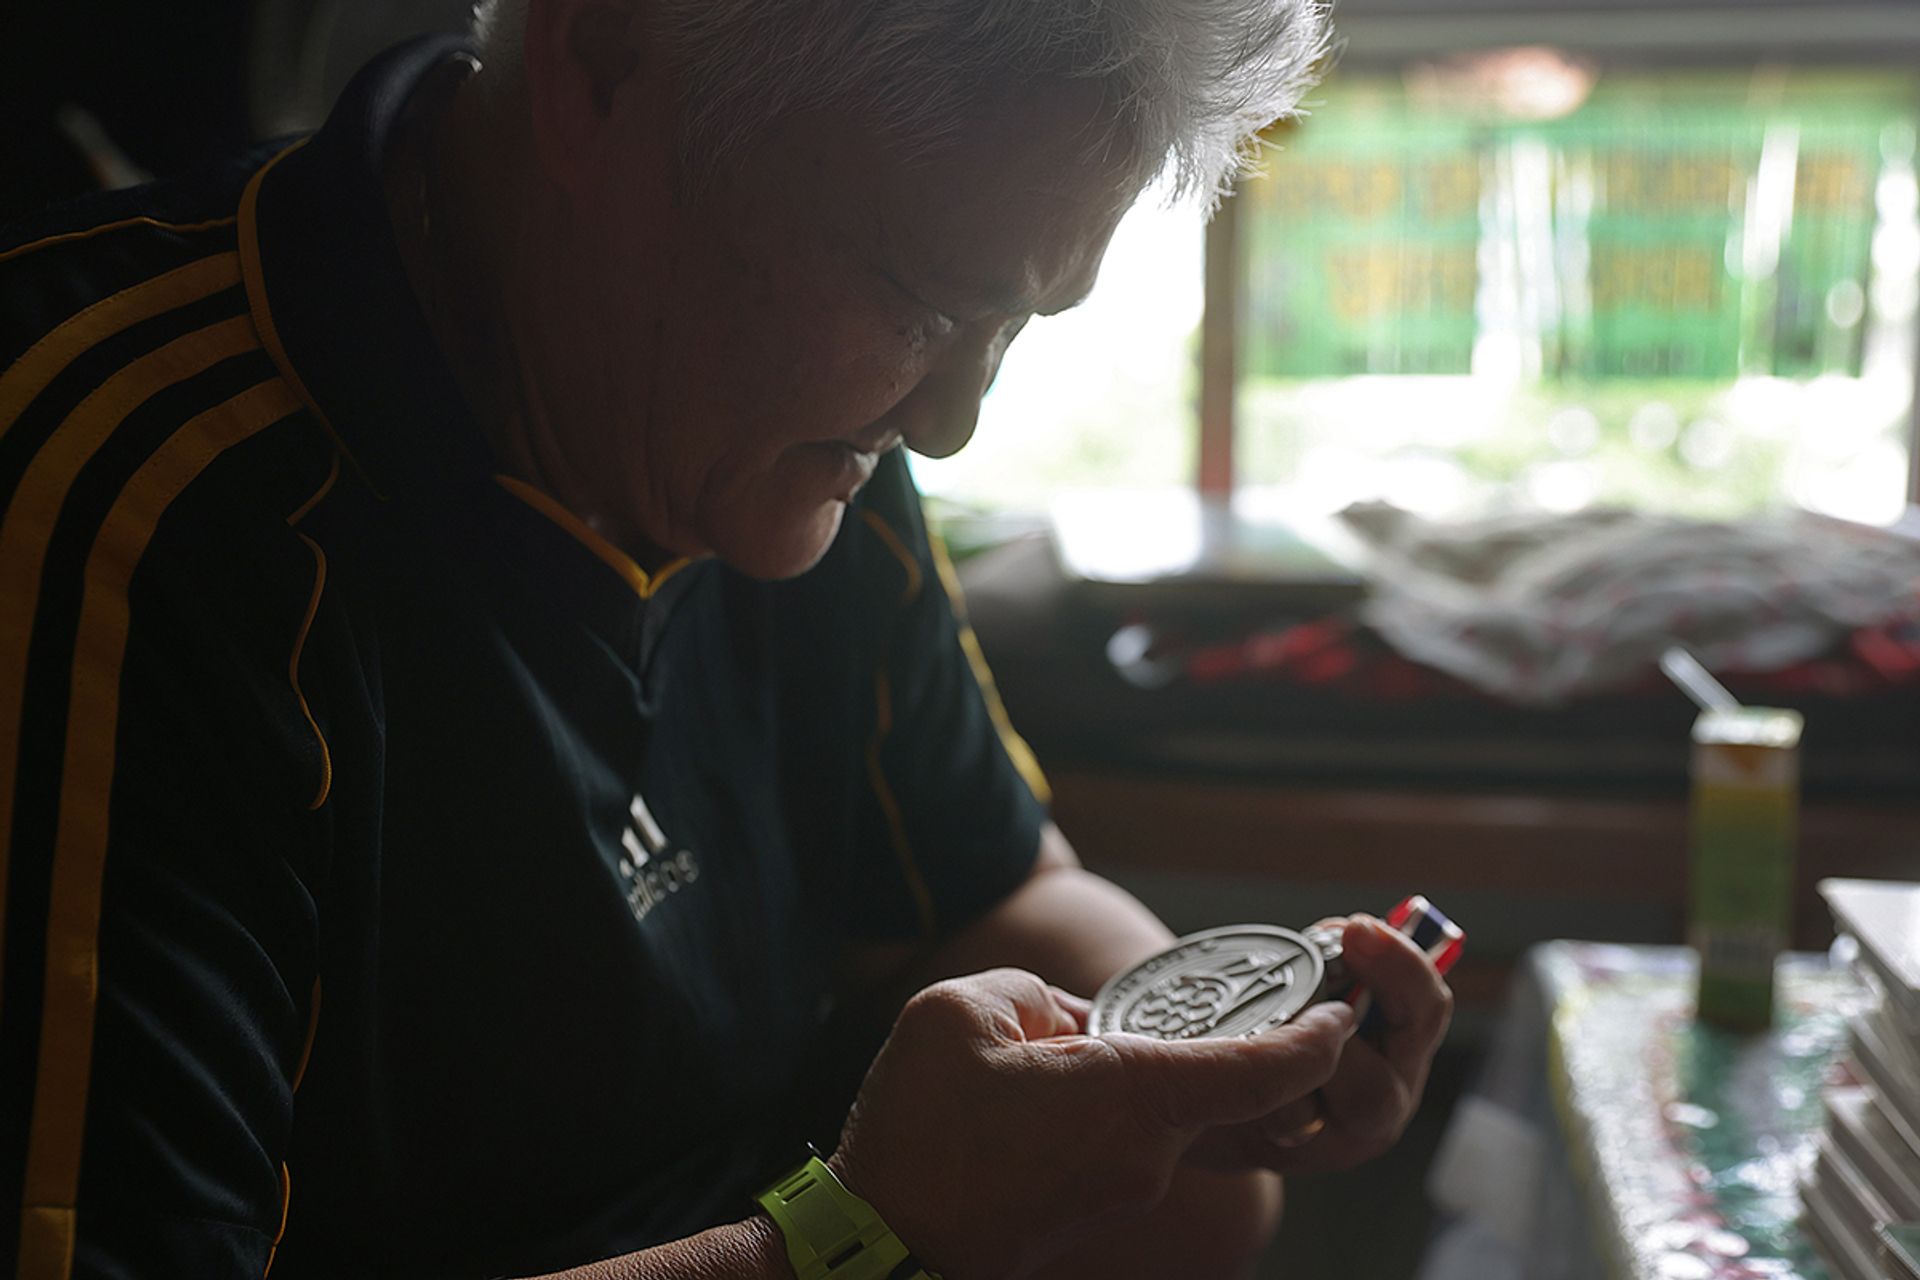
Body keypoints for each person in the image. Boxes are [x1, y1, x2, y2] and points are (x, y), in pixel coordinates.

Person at [0, 1, 1453, 1276]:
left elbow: (999, 891)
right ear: (606, 66)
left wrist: (1205, 1052)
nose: (947, 422)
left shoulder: (786, 433)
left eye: (1013, 321)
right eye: (922, 298)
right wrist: (855, 1236)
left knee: (1204, 1207)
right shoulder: (124, 511)